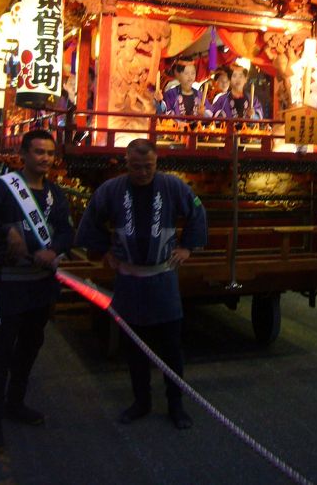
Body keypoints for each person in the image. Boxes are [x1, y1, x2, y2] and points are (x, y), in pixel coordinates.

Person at [75, 138, 208, 429]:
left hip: (163, 278)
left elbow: (197, 212)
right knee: (134, 348)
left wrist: (187, 247)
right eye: (136, 166)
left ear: (157, 162)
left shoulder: (173, 187)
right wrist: (103, 251)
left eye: (148, 166)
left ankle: (176, 404)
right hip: (129, 279)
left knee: (172, 348)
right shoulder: (111, 189)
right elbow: (91, 219)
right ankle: (141, 402)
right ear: (126, 163)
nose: (143, 172)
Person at [0, 129, 74, 455]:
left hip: (41, 286)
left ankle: (16, 402)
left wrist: (54, 250)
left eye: (50, 154)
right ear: (23, 155)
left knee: (29, 348)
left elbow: (68, 231)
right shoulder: (3, 189)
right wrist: (4, 230)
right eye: (38, 152)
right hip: (9, 286)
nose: (45, 159)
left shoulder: (55, 194)